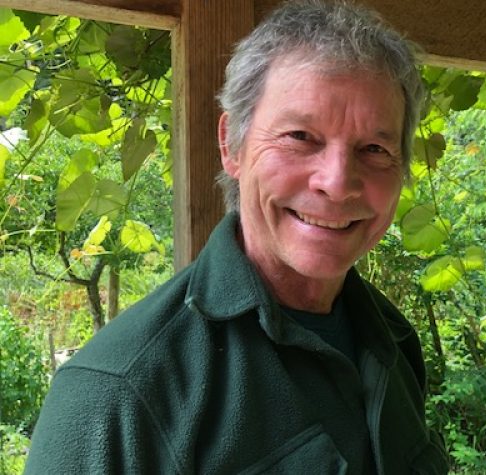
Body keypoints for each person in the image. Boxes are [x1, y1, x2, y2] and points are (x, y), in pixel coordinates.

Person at [24, 1, 449, 473]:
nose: (336, 181)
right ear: (232, 146)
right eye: (300, 136)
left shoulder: (392, 339)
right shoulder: (118, 391)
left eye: (374, 148)